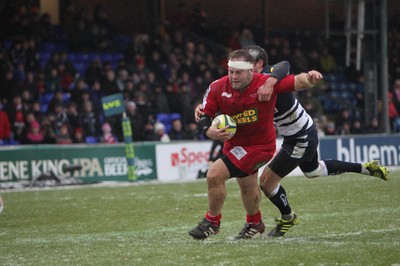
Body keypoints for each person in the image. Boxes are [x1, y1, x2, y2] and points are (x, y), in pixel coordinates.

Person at [195, 45, 389, 239]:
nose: (235, 75)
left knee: (266, 182)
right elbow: (220, 99)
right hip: (293, 135)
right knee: (313, 171)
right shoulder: (237, 82)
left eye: (244, 68)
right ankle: (365, 168)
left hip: (300, 135)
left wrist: (305, 78)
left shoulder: (270, 78)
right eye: (232, 71)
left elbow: (287, 68)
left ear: (258, 65)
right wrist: (203, 110)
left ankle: (288, 217)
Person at [189, 49, 323, 240]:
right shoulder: (218, 87)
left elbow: (296, 81)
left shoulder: (265, 84)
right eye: (231, 71)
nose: (234, 77)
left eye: (239, 72)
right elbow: (205, 114)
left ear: (251, 71)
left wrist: (310, 79)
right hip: (235, 145)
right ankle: (255, 223)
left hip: (260, 148)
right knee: (247, 186)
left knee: (214, 175)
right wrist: (208, 130)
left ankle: (212, 222)